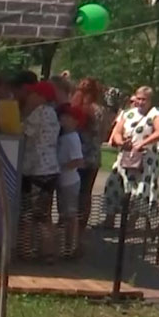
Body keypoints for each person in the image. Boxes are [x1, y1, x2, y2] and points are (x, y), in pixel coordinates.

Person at [102, 86, 159, 227]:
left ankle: (131, 223)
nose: (140, 102)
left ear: (150, 100)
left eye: (144, 99)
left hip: (145, 158)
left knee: (140, 190)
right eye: (138, 98)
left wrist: (143, 143)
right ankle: (109, 219)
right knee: (113, 183)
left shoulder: (155, 113)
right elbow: (118, 132)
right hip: (126, 156)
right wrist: (121, 142)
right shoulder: (128, 114)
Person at [18, 80, 61, 261]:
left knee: (29, 213)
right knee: (44, 214)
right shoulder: (52, 113)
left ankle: (27, 250)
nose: (30, 96)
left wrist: (24, 111)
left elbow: (22, 131)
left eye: (33, 94)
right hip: (51, 168)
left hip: (36, 169)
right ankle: (47, 251)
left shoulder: (38, 113)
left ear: (41, 96)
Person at [69, 77, 107, 229]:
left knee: (73, 192)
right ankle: (81, 225)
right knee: (86, 193)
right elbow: (104, 134)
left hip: (77, 155)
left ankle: (71, 224)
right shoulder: (101, 111)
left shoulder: (77, 108)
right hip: (94, 155)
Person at [55, 104, 86, 258]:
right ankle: (65, 244)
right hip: (63, 181)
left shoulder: (73, 138)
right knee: (64, 213)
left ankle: (71, 245)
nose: (63, 120)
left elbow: (78, 161)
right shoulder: (63, 137)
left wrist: (60, 167)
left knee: (70, 214)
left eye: (67, 118)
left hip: (70, 181)